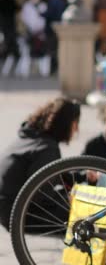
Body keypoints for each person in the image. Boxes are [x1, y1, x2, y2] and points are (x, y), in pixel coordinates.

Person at [0, 97, 80, 230]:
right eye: (75, 123)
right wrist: (67, 199)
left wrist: (81, 176)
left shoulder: (32, 137)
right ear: (67, 123)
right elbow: (41, 193)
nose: (76, 129)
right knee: (83, 215)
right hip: (15, 214)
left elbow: (52, 173)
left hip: (6, 206)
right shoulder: (47, 149)